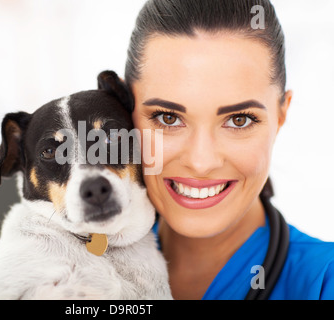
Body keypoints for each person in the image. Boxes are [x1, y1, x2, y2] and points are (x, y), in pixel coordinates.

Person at [124, 0, 334, 300]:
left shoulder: (323, 281)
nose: (200, 162)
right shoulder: (66, 273)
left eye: (239, 120)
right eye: (168, 118)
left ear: (281, 116)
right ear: (122, 110)